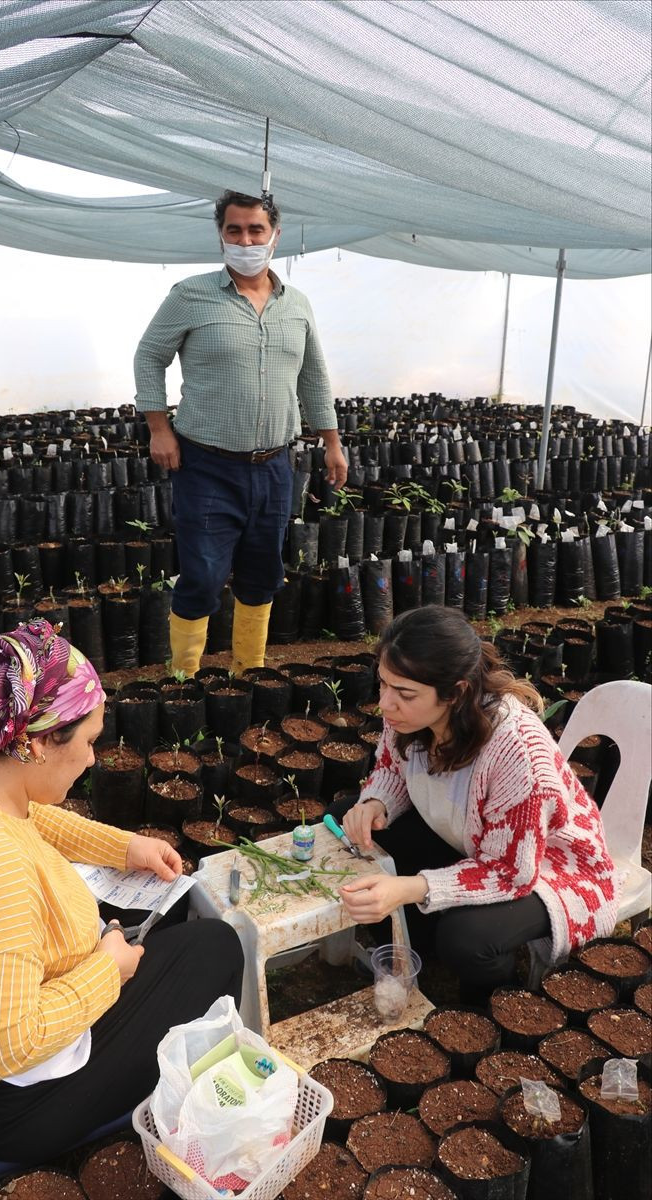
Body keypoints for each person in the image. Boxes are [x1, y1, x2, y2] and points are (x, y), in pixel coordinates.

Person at [0, 620, 243, 1164]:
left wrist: (123, 848)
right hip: (4, 1100)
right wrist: (106, 971)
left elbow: (29, 816)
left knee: (169, 913)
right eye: (90, 741)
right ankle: (201, 1114)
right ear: (39, 744)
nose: (94, 759)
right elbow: (2, 1045)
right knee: (215, 947)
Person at [335, 606, 618, 1004]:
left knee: (466, 938)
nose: (386, 703)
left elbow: (511, 870)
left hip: (552, 867)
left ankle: (493, 1001)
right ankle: (420, 948)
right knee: (347, 820)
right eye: (382, 684)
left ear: (457, 692)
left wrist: (412, 887)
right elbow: (392, 768)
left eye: (403, 693)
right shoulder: (407, 713)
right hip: (470, 840)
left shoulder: (518, 752)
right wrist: (376, 801)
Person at [134, 188, 347, 677]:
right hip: (206, 464)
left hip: (274, 465)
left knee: (262, 573)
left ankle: (248, 672)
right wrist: (158, 427)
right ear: (221, 235)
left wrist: (332, 443)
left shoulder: (297, 305)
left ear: (275, 236)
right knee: (203, 576)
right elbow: (150, 356)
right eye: (235, 230)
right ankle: (184, 678)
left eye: (256, 230)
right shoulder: (191, 296)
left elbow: (313, 376)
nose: (246, 239)